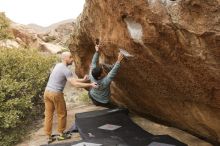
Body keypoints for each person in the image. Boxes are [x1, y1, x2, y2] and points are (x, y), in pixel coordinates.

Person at [43, 51, 97, 144]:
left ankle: (48, 137)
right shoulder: (65, 69)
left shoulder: (58, 66)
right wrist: (90, 84)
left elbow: (71, 79)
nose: (72, 59)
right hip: (56, 94)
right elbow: (75, 84)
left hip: (47, 92)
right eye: (71, 57)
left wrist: (83, 80)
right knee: (62, 114)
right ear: (65, 58)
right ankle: (61, 134)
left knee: (48, 115)